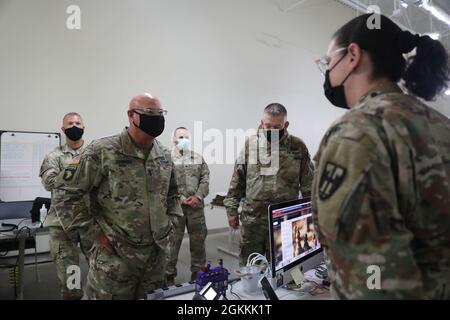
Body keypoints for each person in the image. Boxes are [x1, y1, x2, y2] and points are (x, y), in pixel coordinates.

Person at [312, 13, 450, 299]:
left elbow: (372, 283)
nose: (327, 72)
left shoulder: (357, 134)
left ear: (352, 55)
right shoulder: (440, 124)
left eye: (328, 63)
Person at [53, 93, 183, 299]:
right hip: (115, 258)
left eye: (160, 113)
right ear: (132, 115)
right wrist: (94, 233)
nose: (157, 118)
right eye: (150, 113)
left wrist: (172, 222)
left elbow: (173, 194)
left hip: (155, 258)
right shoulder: (102, 151)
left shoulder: (164, 155)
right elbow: (64, 194)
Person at [224, 103, 314, 265]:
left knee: (282, 267)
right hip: (253, 221)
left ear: (285, 125)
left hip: (285, 221)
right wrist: (231, 209)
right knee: (250, 268)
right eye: (267, 126)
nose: (271, 130)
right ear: (261, 123)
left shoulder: (297, 147)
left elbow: (309, 184)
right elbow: (238, 179)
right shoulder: (251, 145)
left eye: (277, 126)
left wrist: (311, 216)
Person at [39, 112, 96, 300]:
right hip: (63, 225)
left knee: (101, 272)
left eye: (78, 123)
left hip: (92, 222)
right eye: (70, 123)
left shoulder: (94, 153)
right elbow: (50, 182)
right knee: (71, 278)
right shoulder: (54, 156)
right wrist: (76, 168)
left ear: (84, 127)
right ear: (63, 129)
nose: (74, 126)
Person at [165, 127, 210, 285]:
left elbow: (205, 178)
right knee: (171, 244)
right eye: (180, 136)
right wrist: (181, 198)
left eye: (186, 137)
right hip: (175, 209)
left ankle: (198, 275)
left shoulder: (197, 157)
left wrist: (198, 196)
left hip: (196, 209)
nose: (184, 139)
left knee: (198, 244)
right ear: (174, 140)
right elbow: (163, 183)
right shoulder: (166, 158)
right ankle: (168, 277)